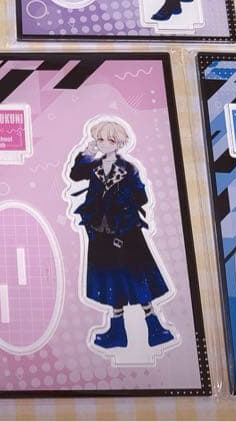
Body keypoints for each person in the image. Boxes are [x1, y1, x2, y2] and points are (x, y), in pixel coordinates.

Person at [66, 118, 175, 350]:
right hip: (101, 232)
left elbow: (142, 196)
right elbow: (75, 174)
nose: (103, 143)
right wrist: (87, 152)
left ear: (119, 143)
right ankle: (117, 333)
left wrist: (122, 202)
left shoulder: (128, 168)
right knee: (110, 280)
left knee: (137, 278)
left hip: (126, 232)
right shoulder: (94, 166)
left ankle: (156, 329)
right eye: (100, 139)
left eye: (109, 139)